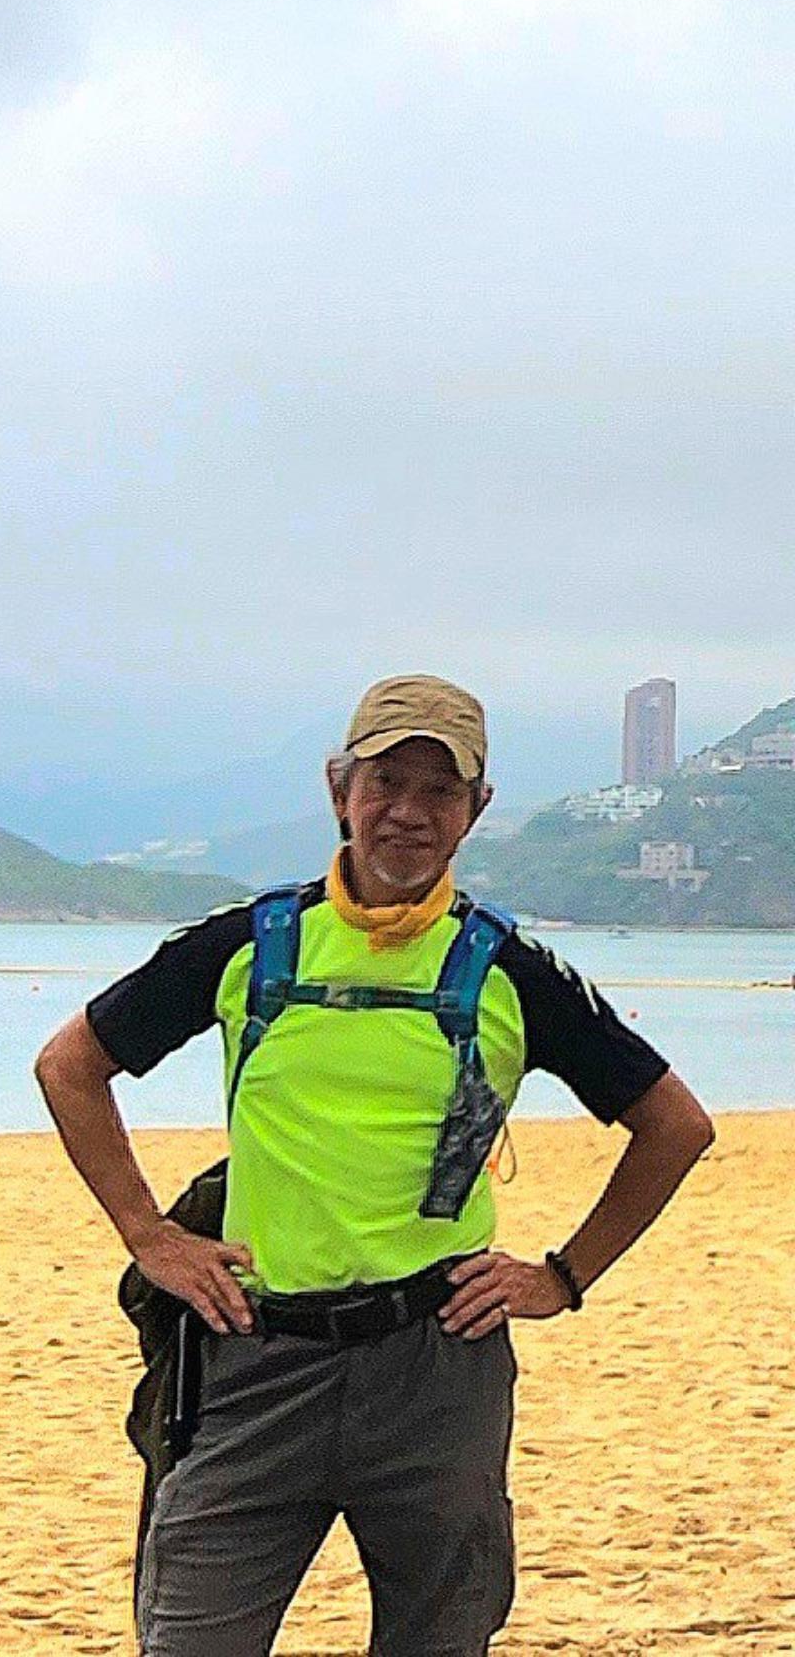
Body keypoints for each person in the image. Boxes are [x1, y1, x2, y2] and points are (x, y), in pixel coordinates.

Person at [36, 673, 715, 1657]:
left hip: (435, 1367)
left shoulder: (509, 970)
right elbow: (69, 1066)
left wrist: (563, 1277)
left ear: (476, 809)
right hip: (256, 1355)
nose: (408, 812)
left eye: (440, 791)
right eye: (385, 782)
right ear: (338, 790)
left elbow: (674, 1126)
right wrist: (149, 1236)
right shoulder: (252, 945)